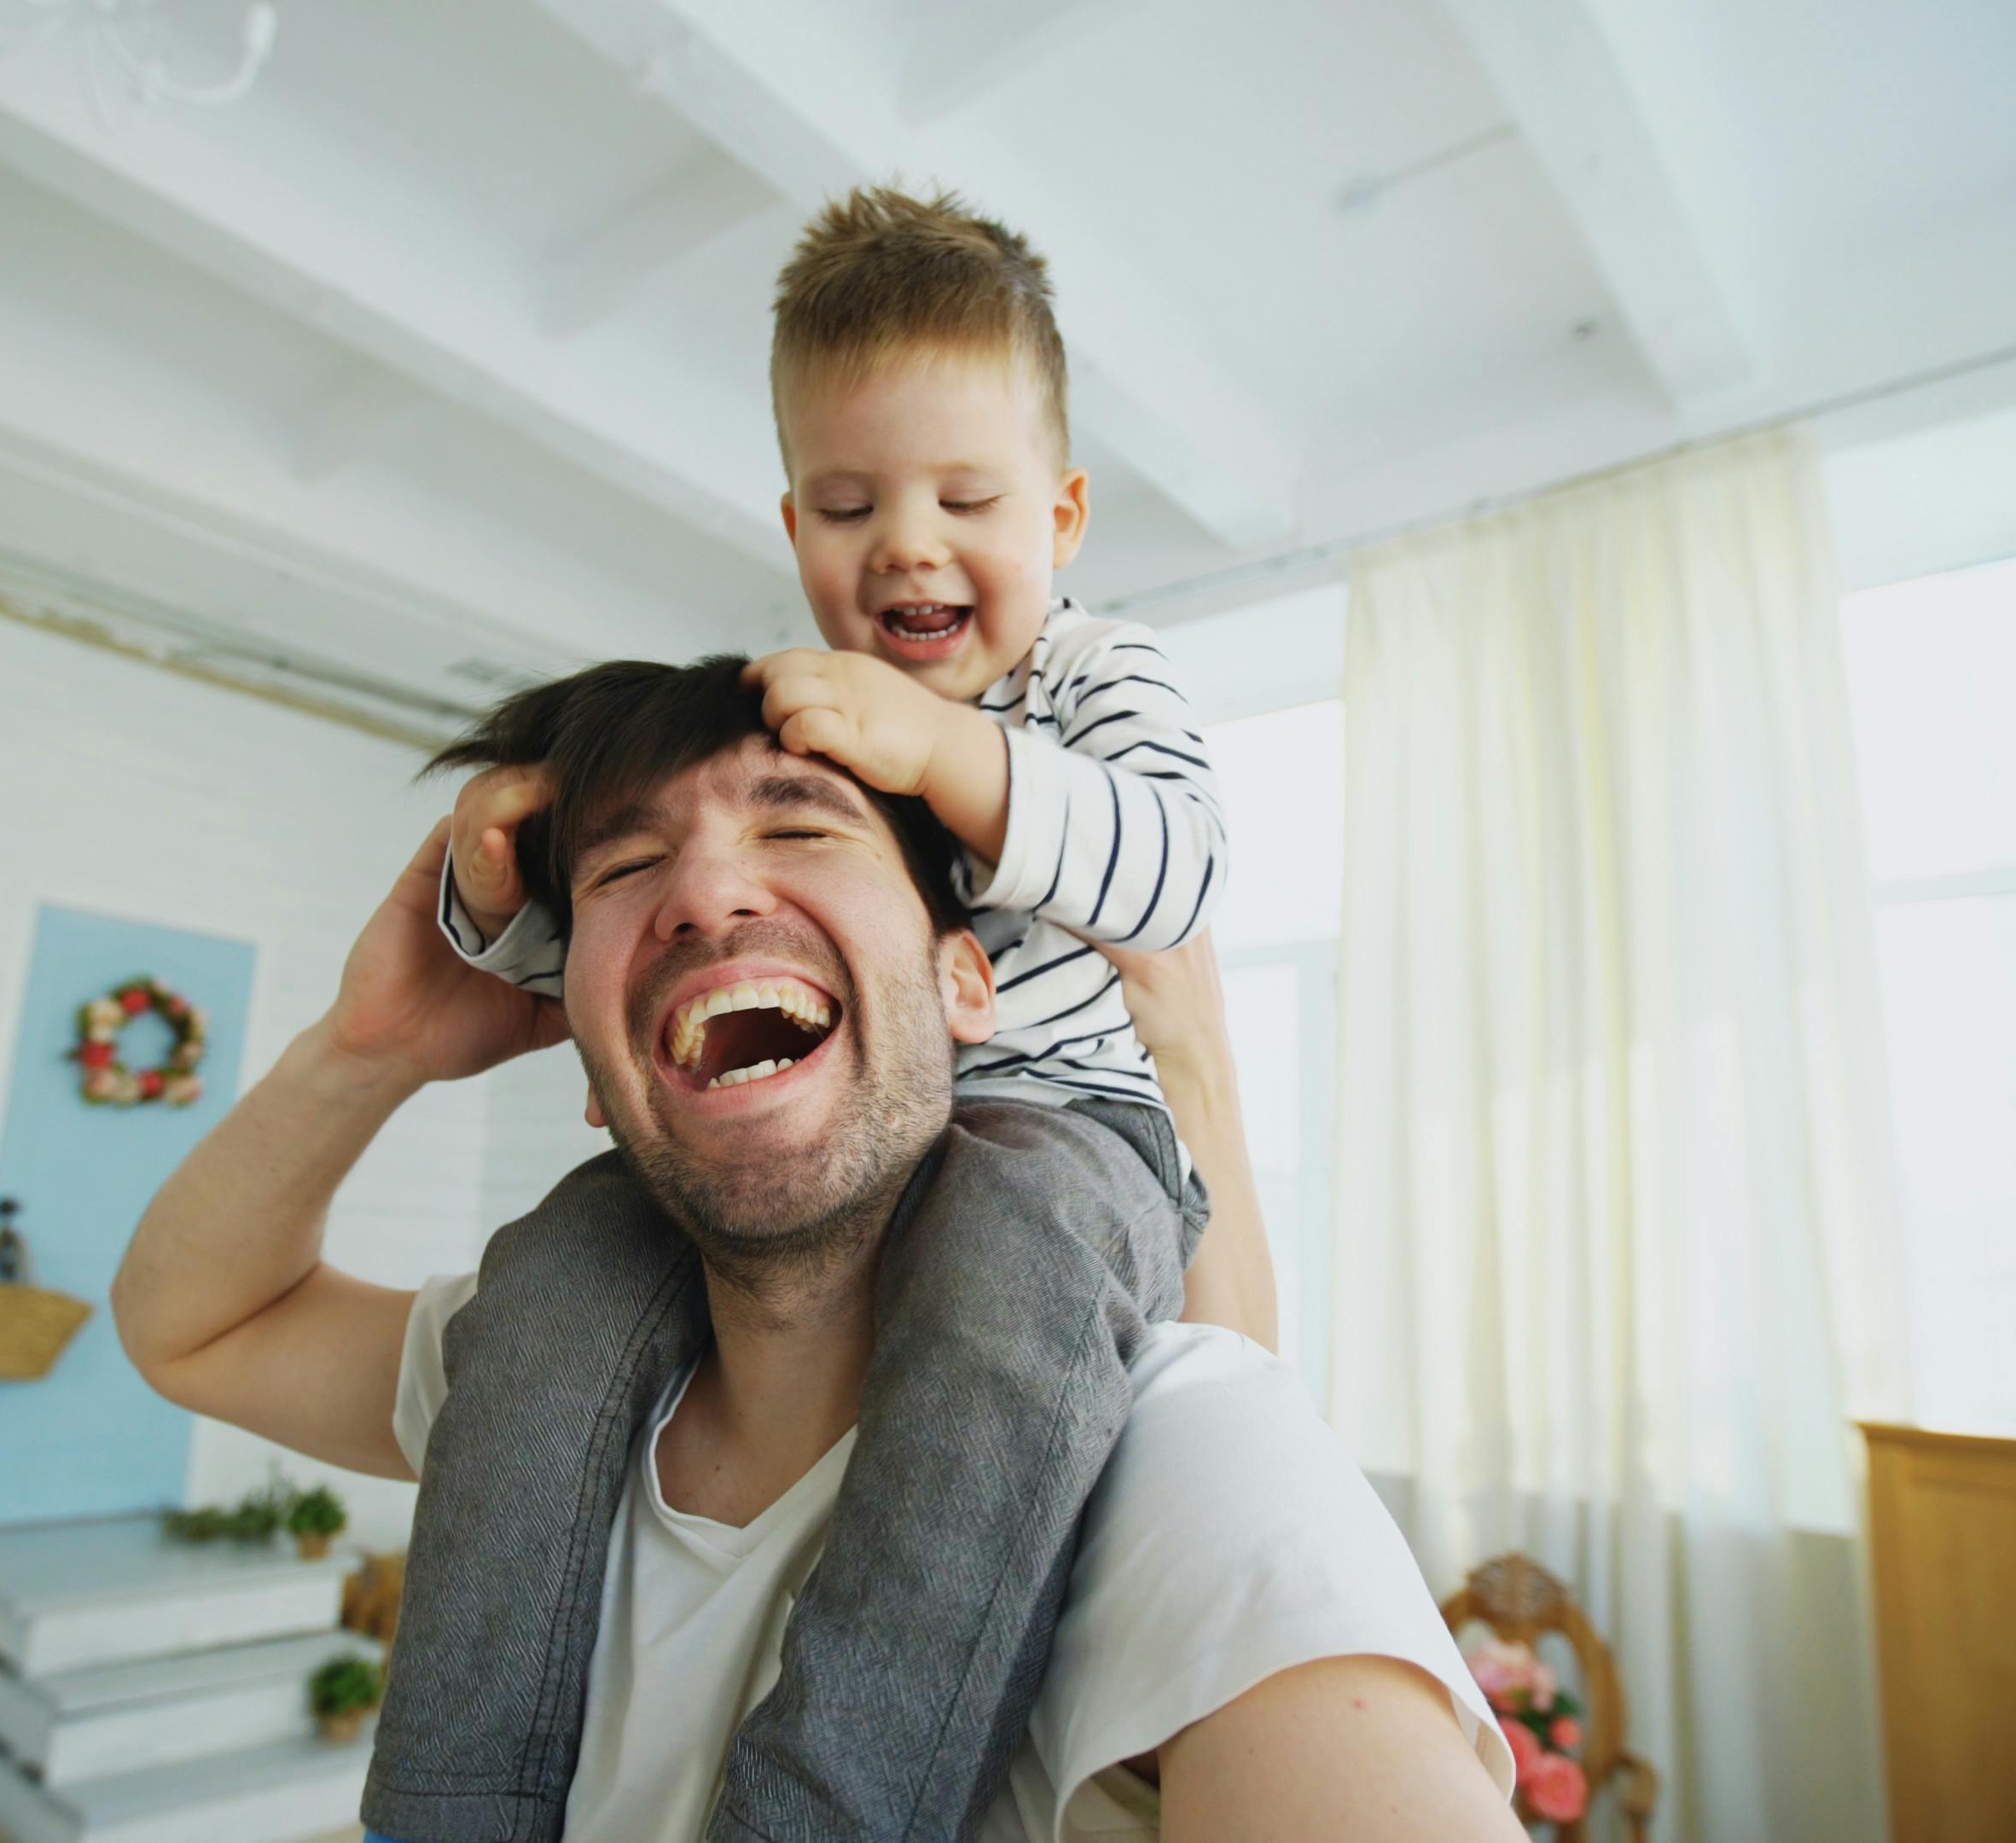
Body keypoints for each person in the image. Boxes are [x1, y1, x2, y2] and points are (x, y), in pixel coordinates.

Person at [113, 660, 1520, 1841]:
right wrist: (370, 1047)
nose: (708, 895)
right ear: (595, 1071)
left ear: (966, 983)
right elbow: (194, 1324)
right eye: (628, 862)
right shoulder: (529, 1378)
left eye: (801, 829)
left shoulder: (1172, 1450)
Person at [398, 185, 1245, 1841]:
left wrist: (947, 757)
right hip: (846, 1140)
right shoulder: (810, 718)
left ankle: (831, 1809)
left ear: (1063, 515)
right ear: (795, 531)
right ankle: (448, 1797)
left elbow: (1181, 879)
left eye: (968, 497)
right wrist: (490, 900)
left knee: (1005, 1301)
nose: (910, 545)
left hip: (1067, 1133)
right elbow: (647, 956)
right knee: (554, 1279)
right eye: (853, 504)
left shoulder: (1092, 678)